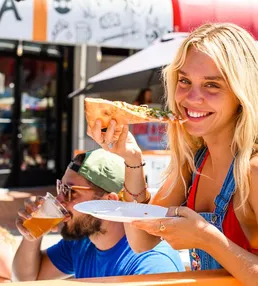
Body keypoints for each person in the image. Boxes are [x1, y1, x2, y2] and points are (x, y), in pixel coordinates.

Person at [87, 23, 258, 285]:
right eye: (185, 80)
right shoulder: (194, 163)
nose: (192, 97)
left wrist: (206, 238)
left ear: (241, 94)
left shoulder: (253, 171)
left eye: (212, 85)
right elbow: (141, 240)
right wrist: (132, 160)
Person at [13, 148, 184, 281]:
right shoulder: (83, 242)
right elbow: (28, 278)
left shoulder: (152, 264)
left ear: (110, 201)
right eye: (60, 188)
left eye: (70, 191)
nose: (59, 200)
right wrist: (33, 236)